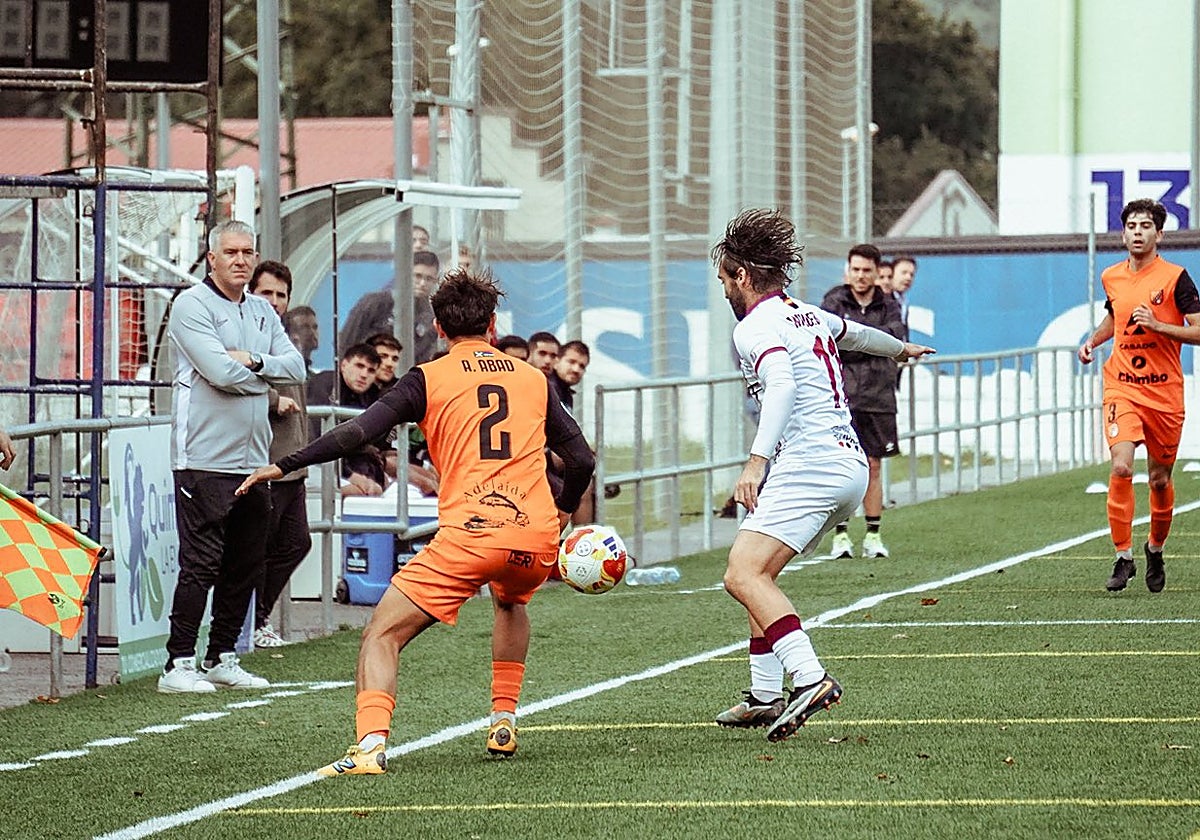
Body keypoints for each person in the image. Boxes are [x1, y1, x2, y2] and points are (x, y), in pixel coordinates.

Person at [235, 267, 595, 775]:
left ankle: (369, 747)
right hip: (532, 533)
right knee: (511, 601)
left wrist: (285, 462)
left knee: (381, 635)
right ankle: (503, 716)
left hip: (471, 534)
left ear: (440, 328)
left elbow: (357, 431)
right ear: (493, 325)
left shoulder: (427, 378)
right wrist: (562, 512)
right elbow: (580, 460)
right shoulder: (534, 379)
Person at [710, 208, 933, 739]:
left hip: (809, 464)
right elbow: (856, 335)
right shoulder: (805, 313)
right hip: (847, 464)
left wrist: (755, 461)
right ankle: (764, 694)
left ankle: (808, 678)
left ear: (742, 276)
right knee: (757, 574)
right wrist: (901, 348)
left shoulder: (756, 325)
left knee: (741, 575)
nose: (722, 290)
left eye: (723, 278)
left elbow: (782, 386)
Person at [158, 221, 307, 693]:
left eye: (248, 251)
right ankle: (178, 663)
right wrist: (259, 372)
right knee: (201, 562)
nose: (241, 260)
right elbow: (220, 372)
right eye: (232, 252)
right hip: (203, 457)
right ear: (212, 257)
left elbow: (296, 368)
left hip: (253, 458)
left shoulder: (263, 311)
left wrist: (256, 361)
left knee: (246, 561)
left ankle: (222, 654)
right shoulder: (191, 305)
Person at [1078, 198, 1200, 594]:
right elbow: (1116, 315)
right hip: (1122, 384)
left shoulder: (1176, 278)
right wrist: (1094, 341)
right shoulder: (1112, 276)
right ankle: (1123, 556)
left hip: (1165, 393)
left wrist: (1161, 326)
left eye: (1145, 225)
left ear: (1159, 234)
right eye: (1131, 225)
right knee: (1121, 467)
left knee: (1160, 479)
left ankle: (1155, 549)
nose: (1137, 231)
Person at [820, 244, 907, 559]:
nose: (860, 275)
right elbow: (830, 344)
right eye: (855, 269)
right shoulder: (833, 301)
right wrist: (872, 341)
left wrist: (860, 341)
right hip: (840, 398)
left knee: (873, 465)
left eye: (866, 270)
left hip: (878, 397)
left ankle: (873, 535)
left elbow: (895, 343)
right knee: (841, 467)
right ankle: (840, 536)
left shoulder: (890, 305)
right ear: (848, 270)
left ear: (875, 272)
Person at [245, 260, 311, 649]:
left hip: (292, 461)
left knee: (296, 542)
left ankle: (257, 617)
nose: (273, 301)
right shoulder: (243, 336)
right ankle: (250, 622)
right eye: (266, 292)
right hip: (263, 460)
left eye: (280, 295)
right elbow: (228, 377)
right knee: (260, 546)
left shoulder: (285, 339)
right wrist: (273, 400)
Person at [309, 344, 389, 497]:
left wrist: (375, 476)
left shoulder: (370, 397)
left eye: (371, 370)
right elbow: (322, 439)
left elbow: (373, 447)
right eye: (359, 366)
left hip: (342, 468)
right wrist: (351, 475)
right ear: (344, 365)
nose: (364, 374)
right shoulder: (326, 385)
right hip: (312, 465)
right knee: (358, 492)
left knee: (377, 490)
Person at [339, 251, 441, 363]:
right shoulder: (374, 303)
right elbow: (346, 341)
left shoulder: (430, 317)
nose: (422, 283)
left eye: (429, 278)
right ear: (405, 275)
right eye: (417, 276)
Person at [282, 305, 320, 379]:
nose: (312, 332)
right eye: (305, 327)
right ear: (290, 335)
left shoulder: (315, 379)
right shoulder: (285, 375)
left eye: (315, 327)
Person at [891, 255, 917, 329]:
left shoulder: (903, 301)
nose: (908, 278)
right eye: (904, 273)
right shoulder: (884, 300)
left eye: (911, 275)